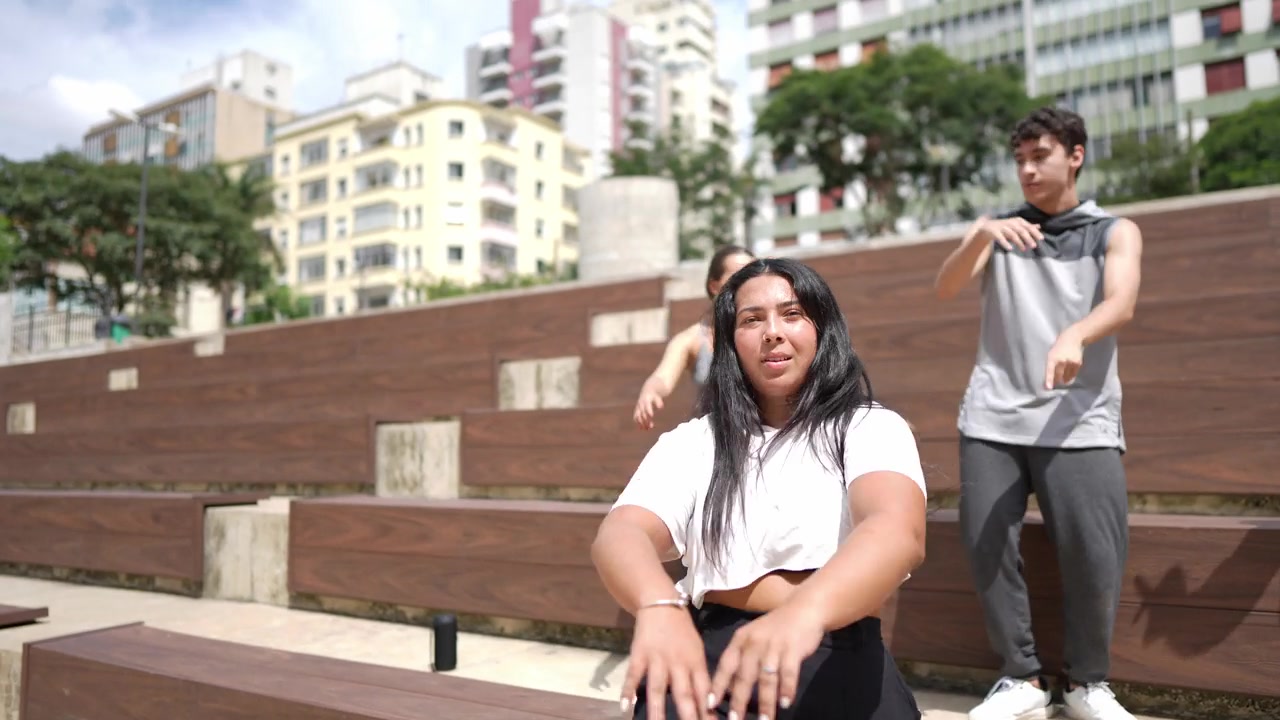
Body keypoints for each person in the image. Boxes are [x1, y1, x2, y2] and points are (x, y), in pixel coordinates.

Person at [594, 257, 928, 720]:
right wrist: (658, 606)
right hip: (715, 658)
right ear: (730, 342)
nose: (773, 332)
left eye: (792, 314)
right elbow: (621, 532)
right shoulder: (696, 441)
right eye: (752, 320)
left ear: (822, 328)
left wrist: (803, 612)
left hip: (838, 653)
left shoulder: (869, 426)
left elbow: (896, 530)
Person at [933, 107, 1144, 720]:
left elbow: (1122, 303)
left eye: (1040, 156)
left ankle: (1086, 684)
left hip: (1080, 417)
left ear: (1075, 156)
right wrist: (981, 233)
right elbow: (945, 287)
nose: (1026, 170)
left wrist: (1075, 334)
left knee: (1094, 552)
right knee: (985, 542)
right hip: (993, 416)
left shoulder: (1115, 231)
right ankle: (1020, 679)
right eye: (1019, 159)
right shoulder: (1001, 233)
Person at [633, 244, 756, 430]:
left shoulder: (767, 329)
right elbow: (662, 378)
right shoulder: (692, 339)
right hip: (717, 436)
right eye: (737, 276)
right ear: (714, 286)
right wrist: (650, 391)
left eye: (752, 276)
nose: (746, 284)